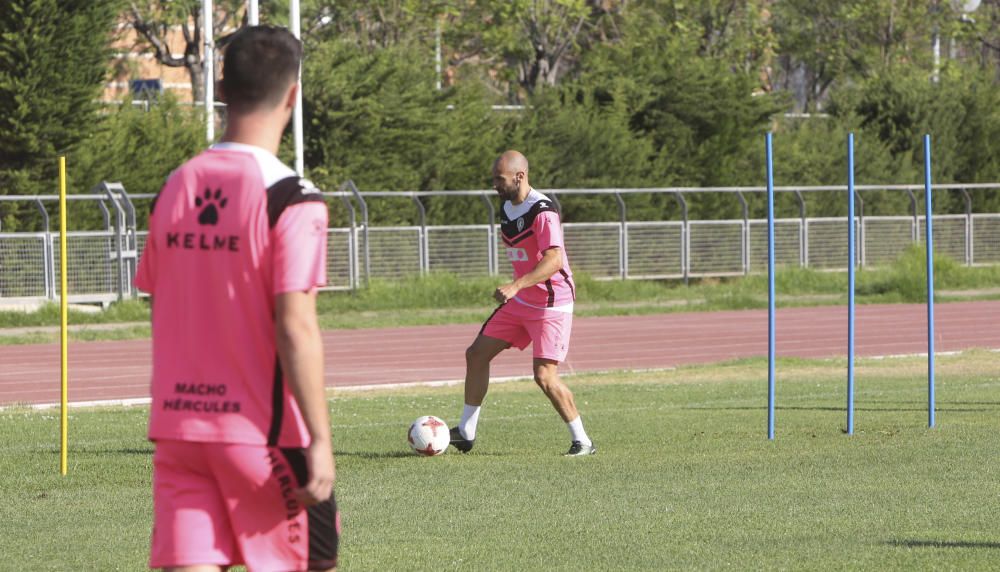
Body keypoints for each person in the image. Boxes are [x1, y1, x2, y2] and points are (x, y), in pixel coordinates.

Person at [134, 26, 339, 572]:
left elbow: (161, 302)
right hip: (262, 436)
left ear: (221, 89)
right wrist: (320, 438)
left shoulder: (175, 187)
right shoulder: (292, 200)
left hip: (180, 431)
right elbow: (295, 326)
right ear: (293, 94)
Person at [450, 150, 596, 457]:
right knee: (476, 354)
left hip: (550, 303)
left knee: (544, 376)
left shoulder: (542, 211)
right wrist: (518, 289)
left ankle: (583, 441)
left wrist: (516, 285)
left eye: (499, 179)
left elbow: (554, 260)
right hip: (522, 300)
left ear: (520, 176)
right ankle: (465, 432)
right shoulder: (506, 205)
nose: (494, 185)